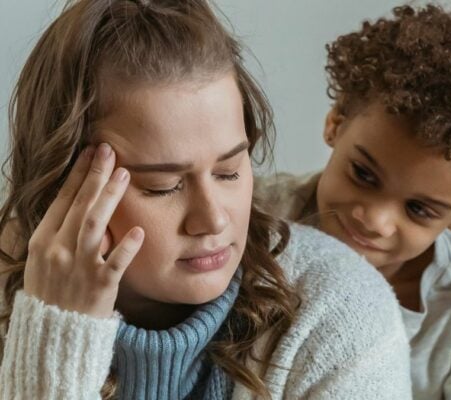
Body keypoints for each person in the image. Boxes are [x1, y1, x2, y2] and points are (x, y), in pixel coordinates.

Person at [0, 1, 412, 399]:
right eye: (163, 186)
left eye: (229, 171)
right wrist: (57, 333)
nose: (214, 220)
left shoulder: (341, 312)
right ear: (60, 185)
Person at [256, 2, 451, 399]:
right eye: (363, 175)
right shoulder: (255, 215)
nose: (375, 220)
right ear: (336, 124)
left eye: (418, 210)